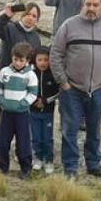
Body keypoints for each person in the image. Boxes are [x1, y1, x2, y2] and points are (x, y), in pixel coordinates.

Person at [50, 0, 101, 180]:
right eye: (88, 4)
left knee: (94, 129)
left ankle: (93, 164)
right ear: (82, 5)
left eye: (95, 5)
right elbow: (55, 54)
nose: (91, 8)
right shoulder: (68, 25)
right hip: (71, 89)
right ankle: (71, 169)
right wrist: (63, 82)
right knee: (70, 129)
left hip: (99, 89)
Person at [0, 2, 41, 167]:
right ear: (22, 14)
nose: (30, 18)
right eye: (28, 14)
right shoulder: (10, 28)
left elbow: (35, 63)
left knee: (21, 126)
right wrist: (6, 15)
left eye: (34, 16)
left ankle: (23, 159)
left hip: (23, 90)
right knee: (4, 120)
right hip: (4, 85)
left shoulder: (35, 38)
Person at [0, 42, 38, 179]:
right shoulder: (4, 72)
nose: (17, 63)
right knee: (2, 141)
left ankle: (25, 168)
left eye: (21, 60)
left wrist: (23, 104)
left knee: (23, 142)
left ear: (27, 61)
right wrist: (1, 100)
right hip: (6, 113)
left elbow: (33, 93)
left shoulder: (30, 75)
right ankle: (2, 166)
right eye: (15, 60)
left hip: (22, 114)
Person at [30, 46, 60, 174]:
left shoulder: (53, 75)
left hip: (48, 112)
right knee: (36, 137)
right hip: (33, 111)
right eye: (39, 60)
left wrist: (45, 101)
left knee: (47, 138)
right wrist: (34, 100)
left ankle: (48, 160)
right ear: (34, 61)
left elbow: (59, 92)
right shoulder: (30, 74)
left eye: (46, 60)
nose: (42, 63)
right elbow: (26, 90)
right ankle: (37, 158)